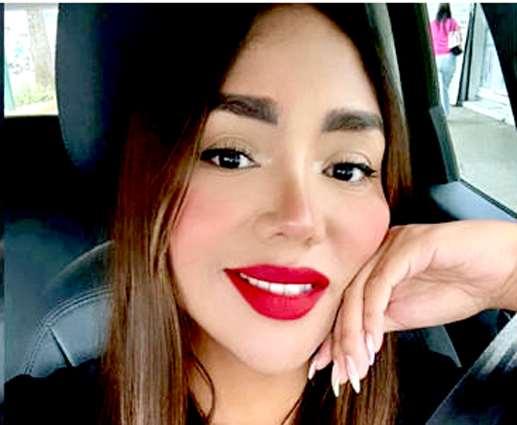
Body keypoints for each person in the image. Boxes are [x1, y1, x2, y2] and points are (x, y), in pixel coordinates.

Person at [3, 4, 517, 425]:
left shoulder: (444, 402)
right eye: (231, 157)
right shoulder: (47, 415)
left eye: (346, 169)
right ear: (154, 182)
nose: (299, 219)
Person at [430, 3, 462, 116]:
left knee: (441, 86)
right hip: (449, 57)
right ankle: (444, 111)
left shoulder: (433, 24)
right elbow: (459, 38)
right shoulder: (453, 23)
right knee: (445, 86)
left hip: (436, 56)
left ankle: (443, 110)